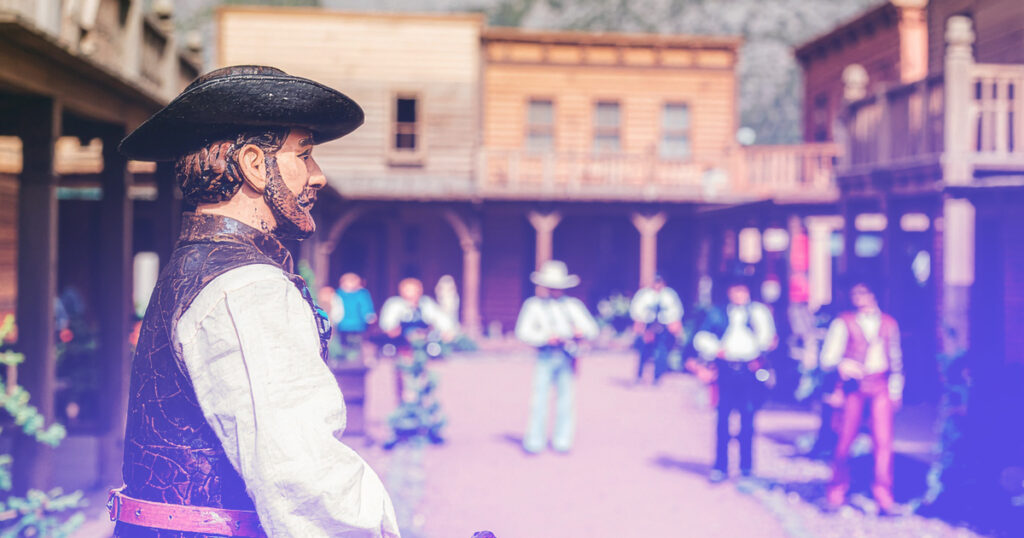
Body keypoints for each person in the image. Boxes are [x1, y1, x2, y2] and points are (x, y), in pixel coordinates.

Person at [112, 66, 399, 537]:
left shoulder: (196, 265)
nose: (318, 176)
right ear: (254, 165)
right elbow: (302, 476)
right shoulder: (247, 285)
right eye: (304, 155)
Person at [821, 279, 903, 514]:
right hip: (853, 387)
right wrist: (843, 364)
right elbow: (827, 358)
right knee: (845, 439)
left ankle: (883, 495)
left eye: (863, 293)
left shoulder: (888, 323)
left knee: (883, 442)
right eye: (855, 293)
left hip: (880, 384)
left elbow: (896, 358)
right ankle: (836, 491)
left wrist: (896, 389)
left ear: (873, 295)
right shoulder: (843, 322)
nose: (859, 298)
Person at [693, 274, 777, 482]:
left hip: (749, 370)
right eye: (735, 290)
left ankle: (746, 466)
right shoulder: (717, 313)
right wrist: (716, 350)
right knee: (723, 418)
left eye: (742, 290)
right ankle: (720, 466)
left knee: (748, 418)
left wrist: (760, 349)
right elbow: (701, 337)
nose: (739, 295)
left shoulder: (758, 312)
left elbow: (768, 338)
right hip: (726, 370)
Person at [514, 260, 599, 454]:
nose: (555, 290)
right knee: (539, 399)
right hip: (545, 355)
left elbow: (592, 329)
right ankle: (535, 441)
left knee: (566, 400)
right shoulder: (534, 306)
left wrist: (580, 332)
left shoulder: (573, 306)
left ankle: (563, 440)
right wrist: (545, 338)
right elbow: (523, 332)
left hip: (566, 356)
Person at [378, 277, 455, 446]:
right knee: (405, 388)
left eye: (414, 289)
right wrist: (397, 332)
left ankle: (426, 424)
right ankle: (401, 426)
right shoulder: (395, 305)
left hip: (421, 354)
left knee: (424, 388)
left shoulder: (426, 305)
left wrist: (446, 331)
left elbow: (442, 321)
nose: (411, 293)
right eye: (407, 289)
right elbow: (387, 325)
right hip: (404, 352)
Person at [629, 274, 684, 384]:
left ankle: (657, 376)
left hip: (663, 326)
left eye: (659, 282)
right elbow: (636, 309)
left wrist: (675, 324)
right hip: (648, 326)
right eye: (656, 282)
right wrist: (639, 323)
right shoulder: (644, 294)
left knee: (661, 351)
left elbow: (676, 310)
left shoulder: (669, 295)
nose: (657, 285)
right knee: (645, 350)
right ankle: (640, 375)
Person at [331, 272, 377, 361]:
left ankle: (353, 359)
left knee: (355, 342)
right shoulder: (338, 293)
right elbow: (335, 307)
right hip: (342, 324)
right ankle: (342, 358)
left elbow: (365, 306)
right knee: (341, 343)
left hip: (357, 325)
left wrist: (369, 315)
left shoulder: (362, 294)